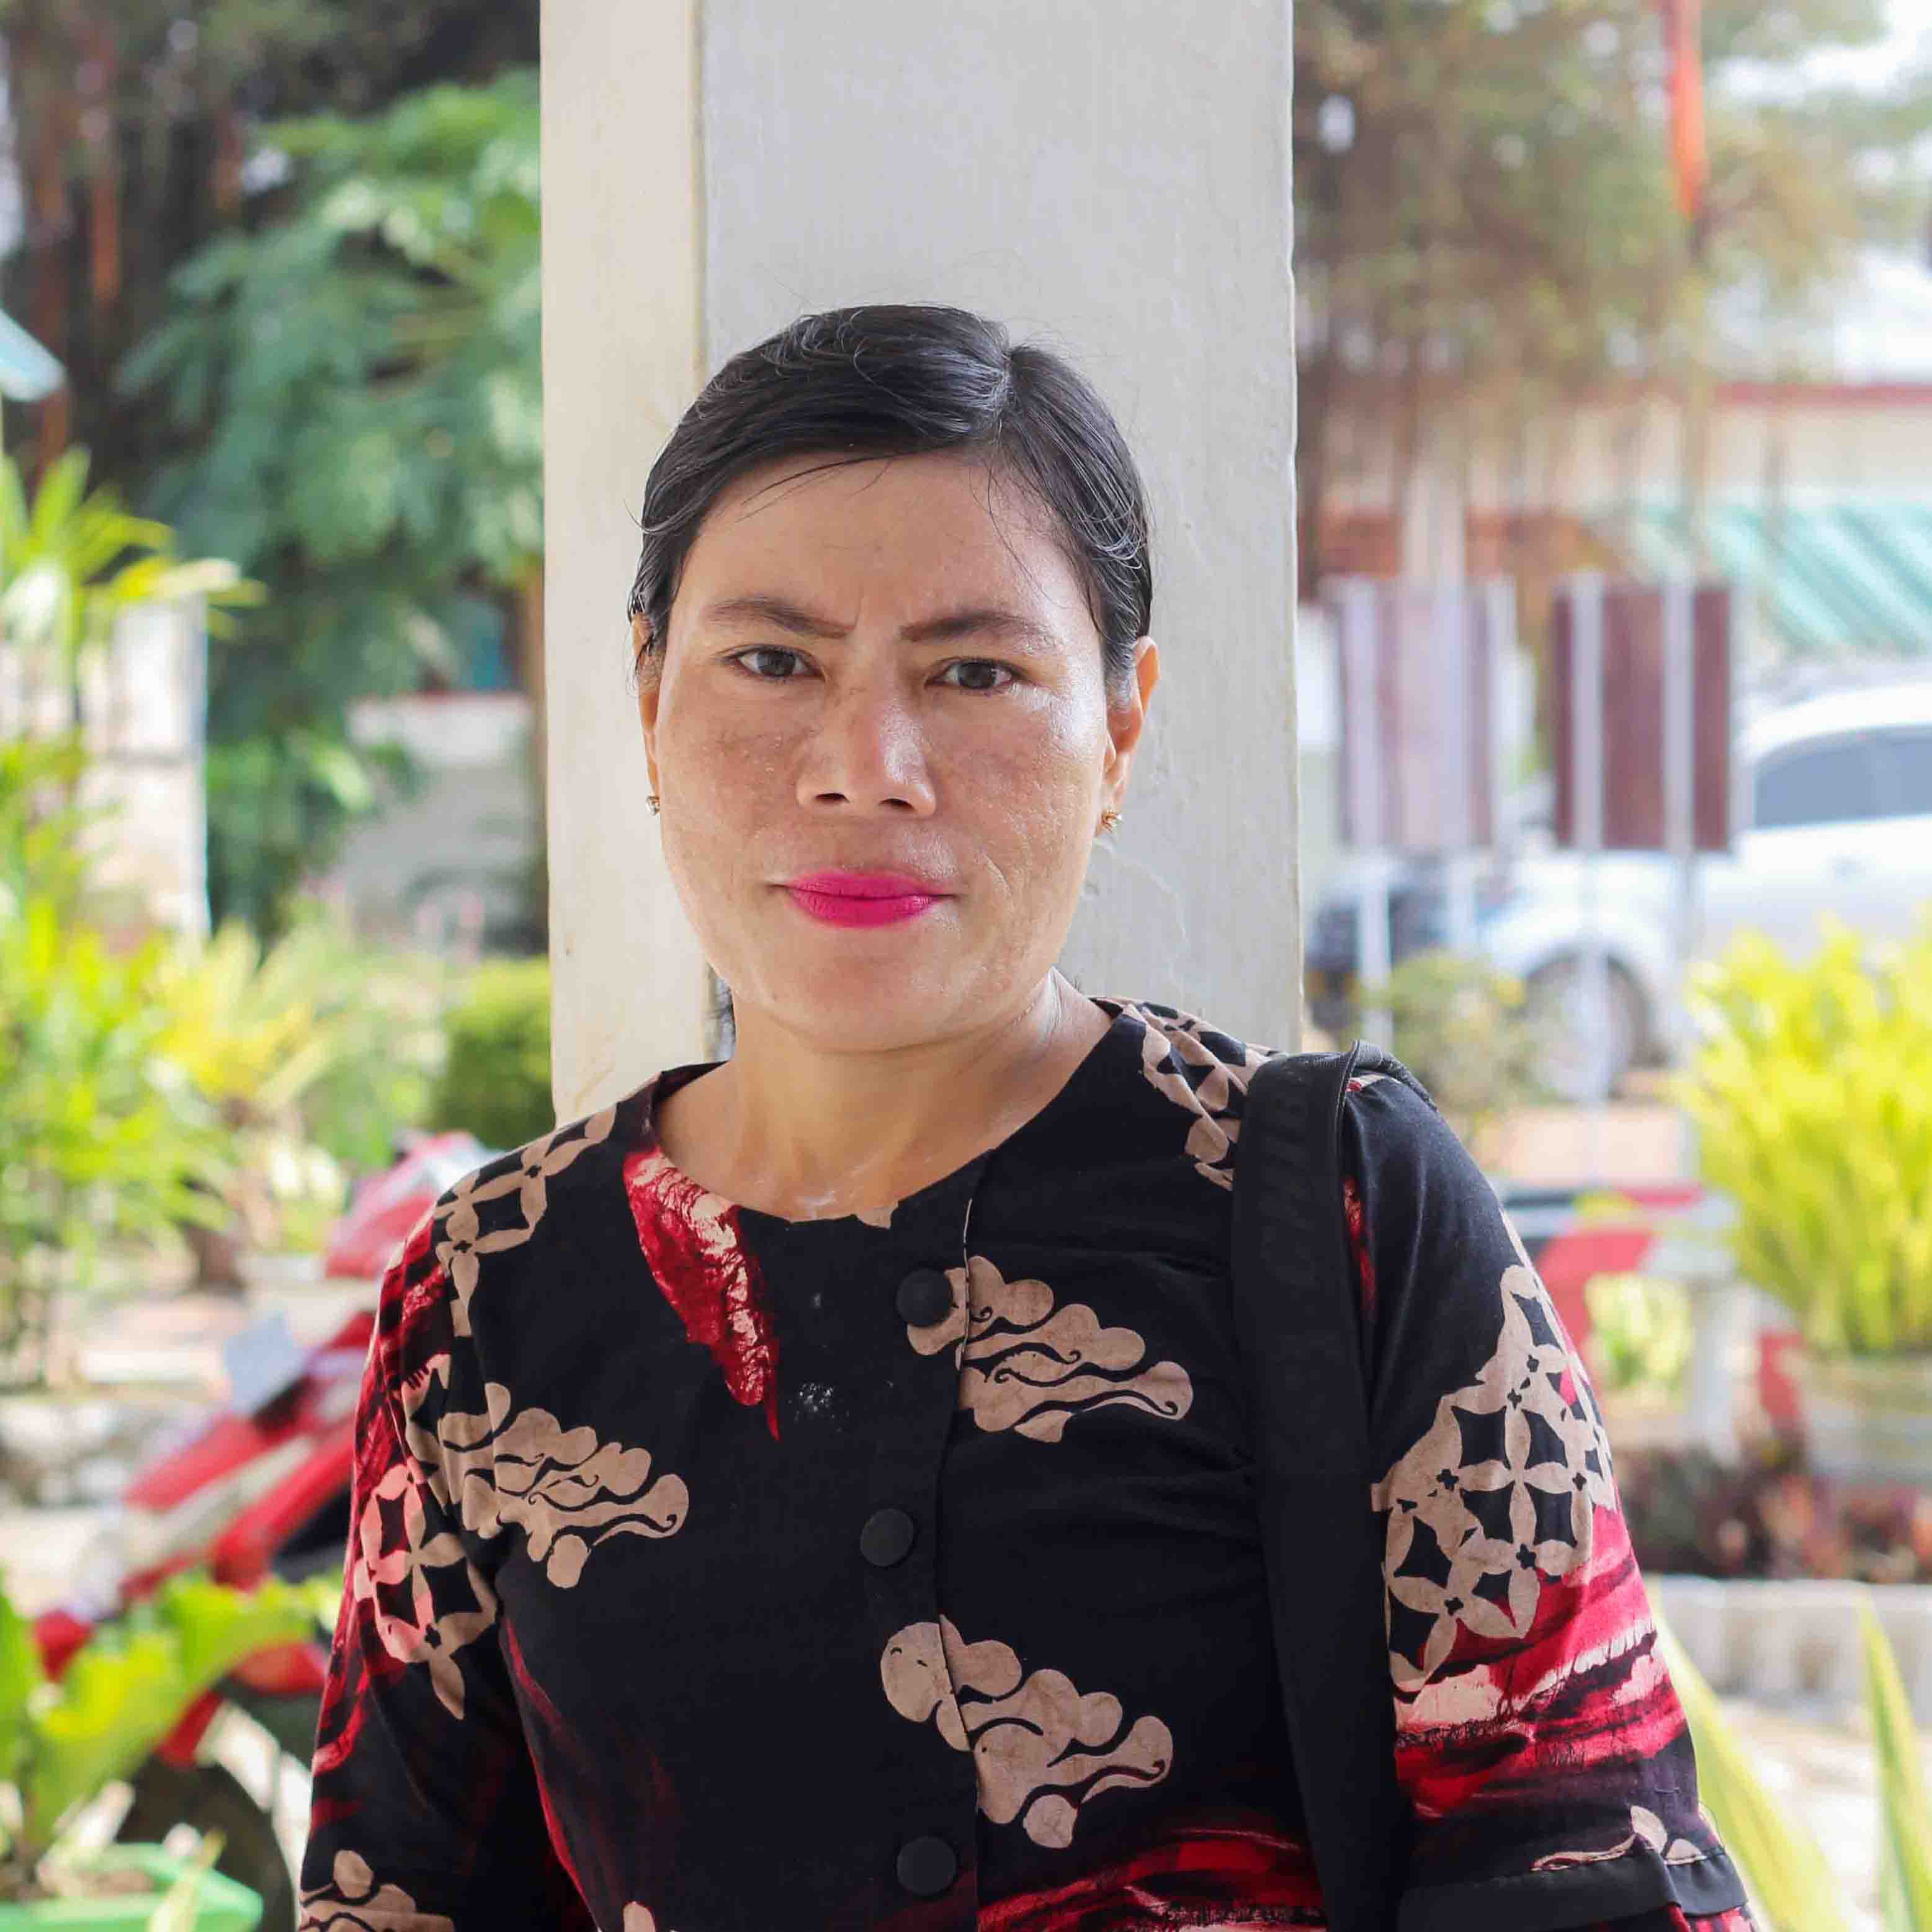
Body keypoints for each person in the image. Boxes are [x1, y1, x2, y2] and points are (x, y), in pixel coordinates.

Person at [299, 305, 1752, 1932]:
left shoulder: (1334, 1210)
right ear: (647, 701)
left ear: (1119, 726)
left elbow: (1592, 1868)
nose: (866, 766)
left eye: (974, 672)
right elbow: (394, 1903)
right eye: (773, 662)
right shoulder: (491, 1292)